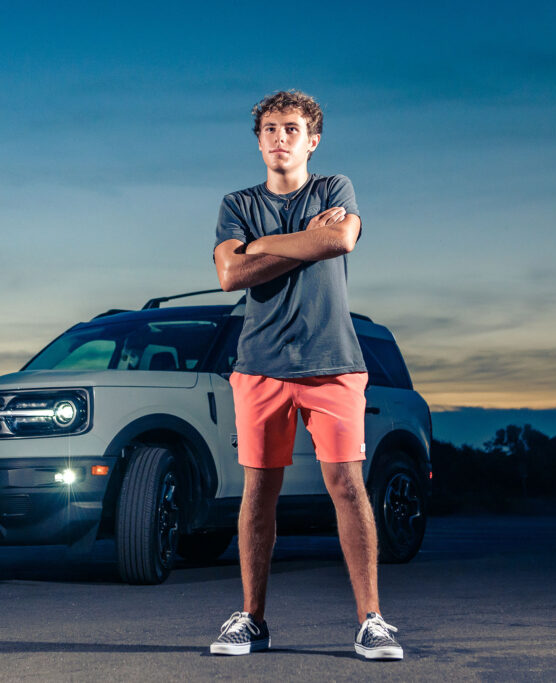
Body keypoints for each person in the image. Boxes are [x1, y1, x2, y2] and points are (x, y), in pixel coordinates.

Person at [209, 90, 403, 660]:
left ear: (312, 140)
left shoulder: (333, 189)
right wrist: (302, 243)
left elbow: (340, 238)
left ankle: (372, 620)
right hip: (260, 366)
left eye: (291, 129)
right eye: (269, 129)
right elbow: (228, 274)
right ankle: (252, 620)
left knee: (346, 486)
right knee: (259, 492)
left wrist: (262, 248)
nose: (279, 138)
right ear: (259, 140)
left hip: (333, 364)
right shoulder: (237, 202)